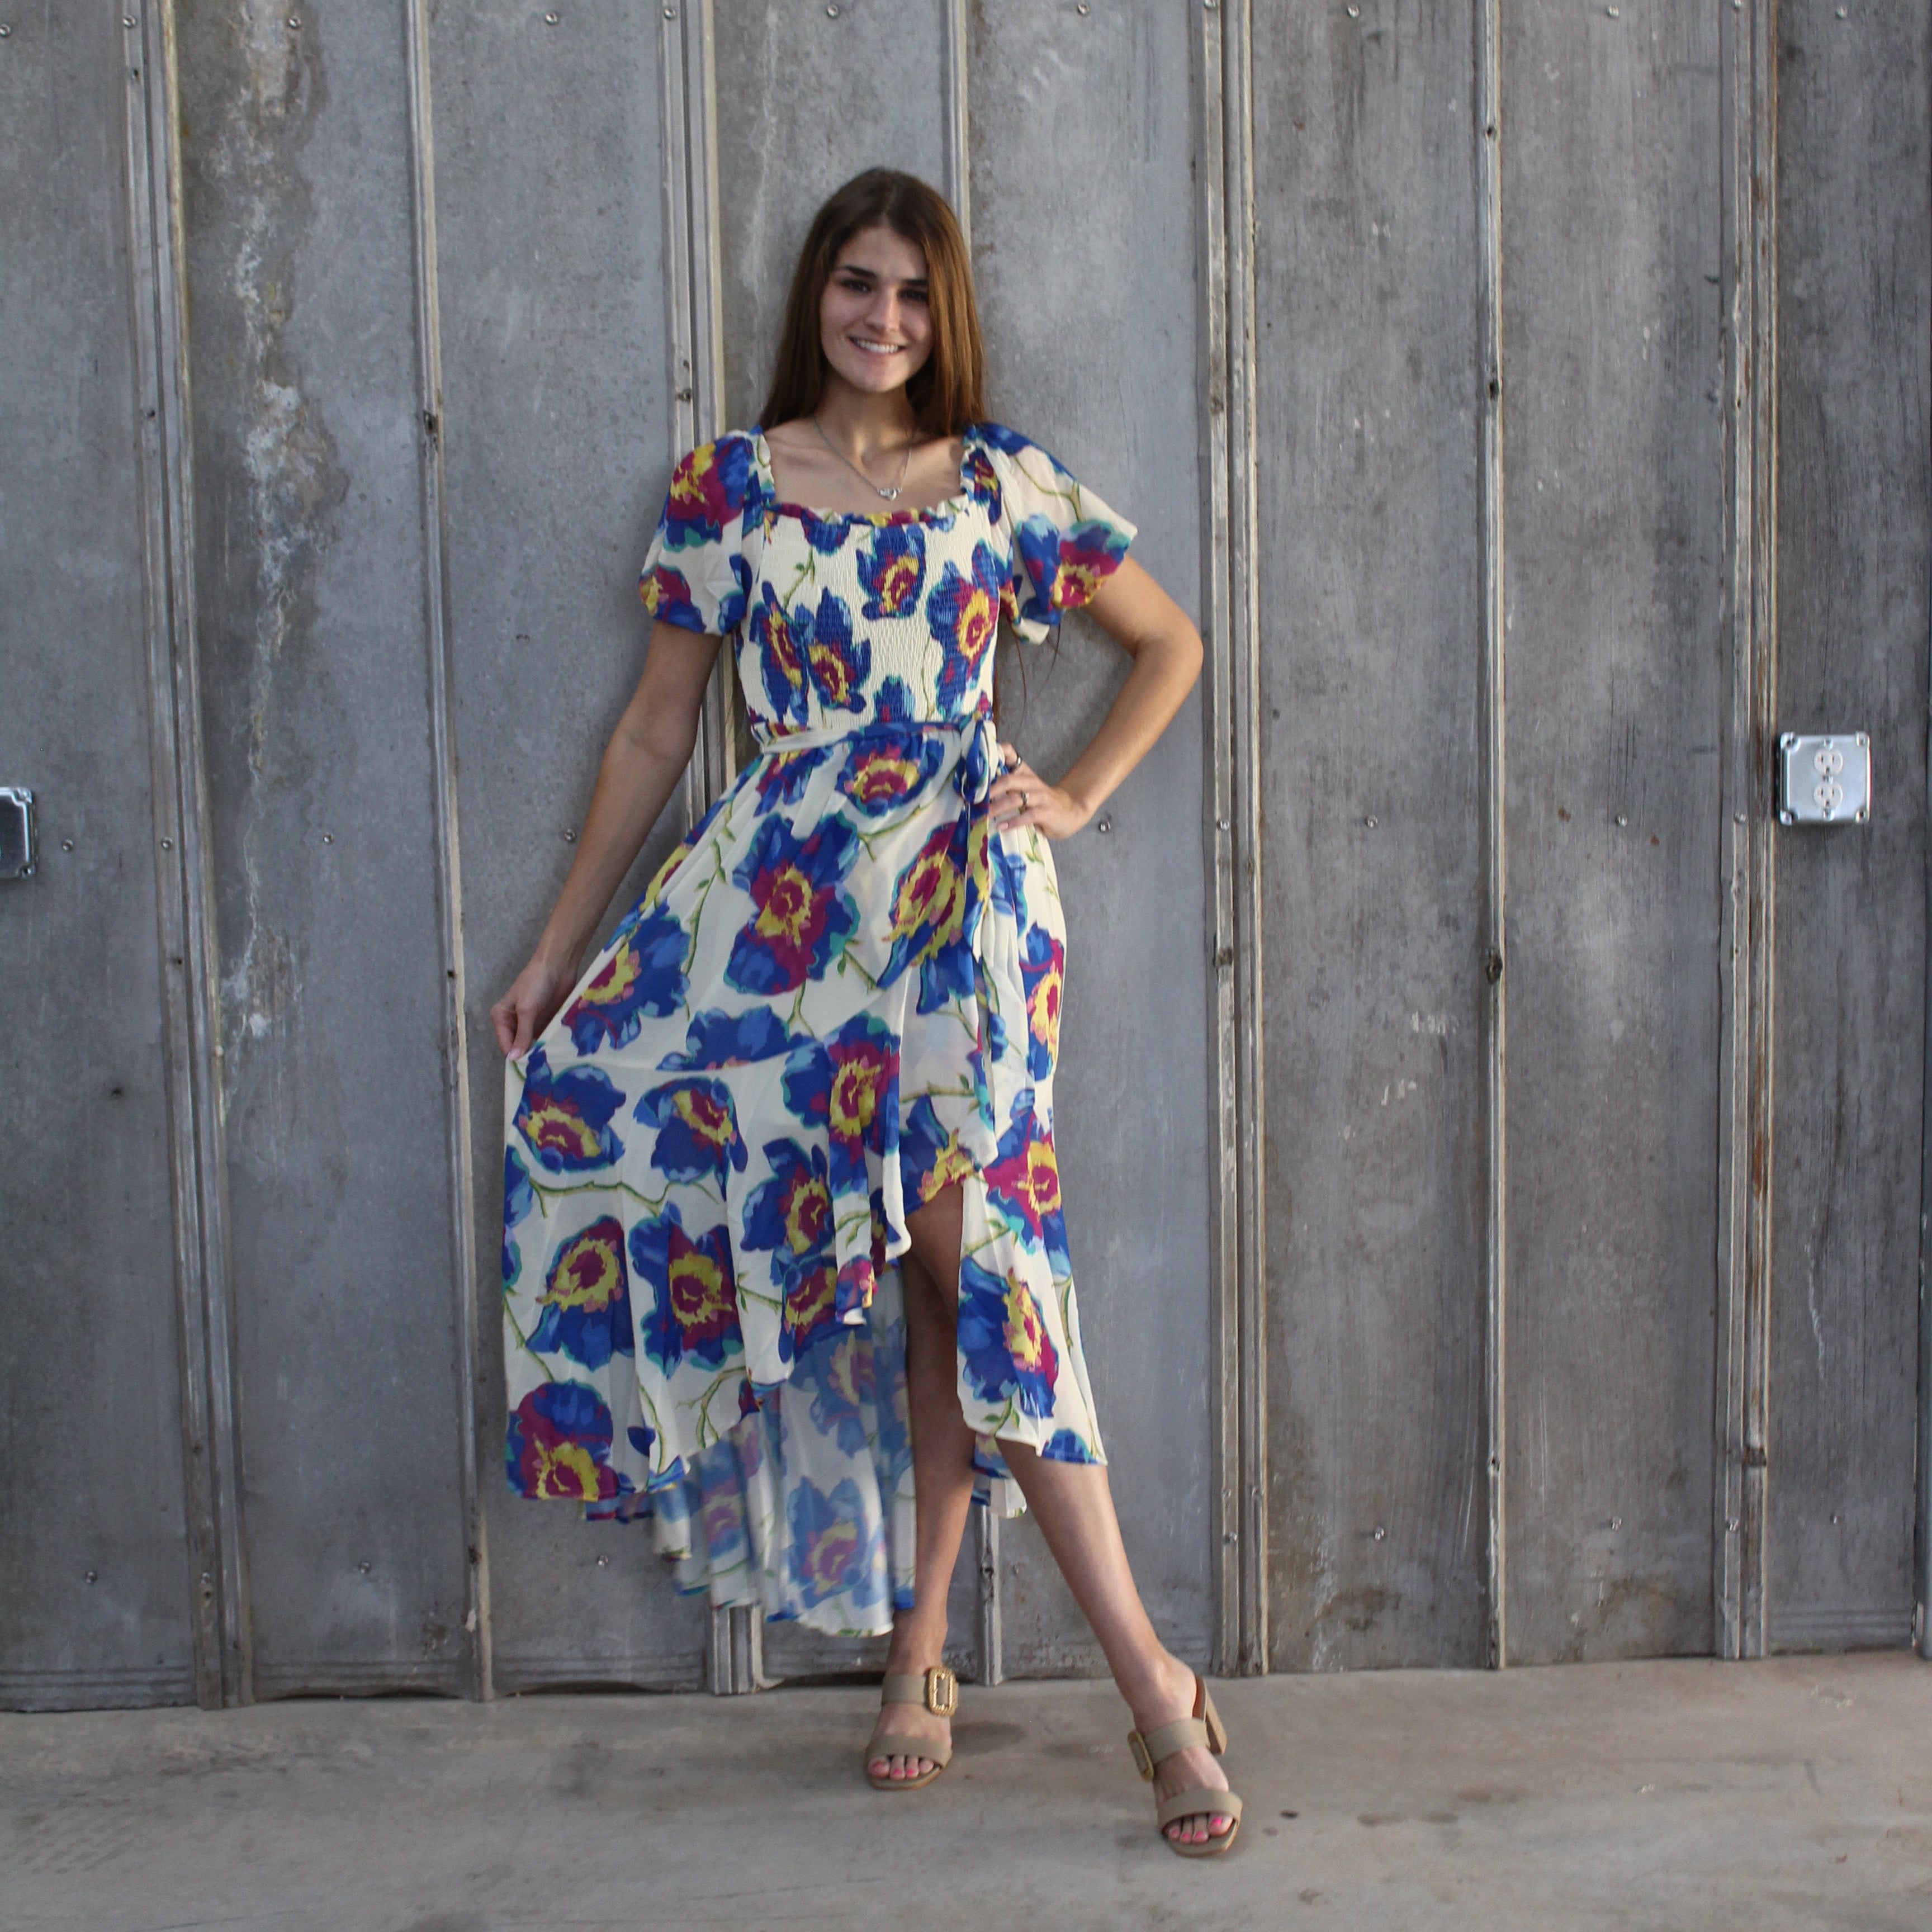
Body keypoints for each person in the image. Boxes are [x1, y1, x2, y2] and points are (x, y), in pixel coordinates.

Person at [490, 167, 1239, 1856]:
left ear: (942, 308)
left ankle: (1150, 1685)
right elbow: (654, 736)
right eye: (856, 284)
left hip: (968, 915)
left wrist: (1077, 793)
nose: (883, 318)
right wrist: (557, 952)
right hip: (785, 934)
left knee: (975, 1262)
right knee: (910, 1272)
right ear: (814, 294)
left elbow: (1169, 643)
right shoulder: (730, 489)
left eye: (911, 291)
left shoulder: (998, 483)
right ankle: (920, 1655)